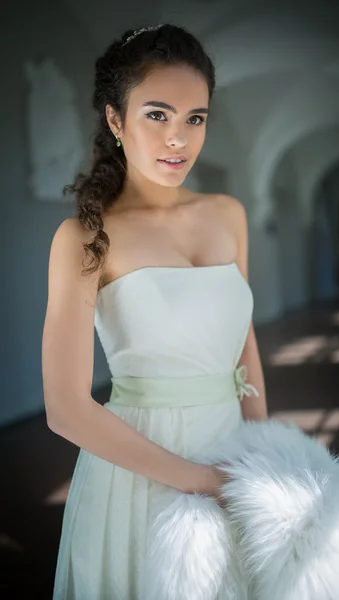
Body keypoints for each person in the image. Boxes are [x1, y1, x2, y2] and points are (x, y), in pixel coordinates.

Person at [42, 23, 267, 599]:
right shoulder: (85, 237)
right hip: (138, 474)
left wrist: (264, 455)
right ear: (116, 120)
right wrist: (201, 482)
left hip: (234, 456)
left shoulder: (228, 214)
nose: (179, 139)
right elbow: (65, 409)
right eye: (157, 115)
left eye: (195, 118)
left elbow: (243, 342)